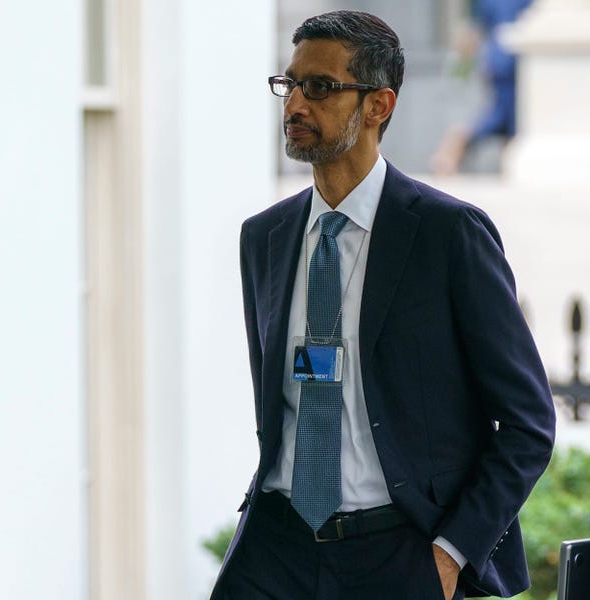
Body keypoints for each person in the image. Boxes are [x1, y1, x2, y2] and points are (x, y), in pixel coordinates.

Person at [210, 11, 556, 600]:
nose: (295, 104)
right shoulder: (263, 237)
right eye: (289, 84)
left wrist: (452, 553)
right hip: (274, 551)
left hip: (398, 553)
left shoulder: (449, 234)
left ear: (378, 105)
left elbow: (528, 424)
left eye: (319, 87)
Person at [430, 0, 533, 175]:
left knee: (510, 120)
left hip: (500, 61)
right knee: (504, 118)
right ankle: (453, 149)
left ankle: (507, 165)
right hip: (513, 63)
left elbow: (475, 28)